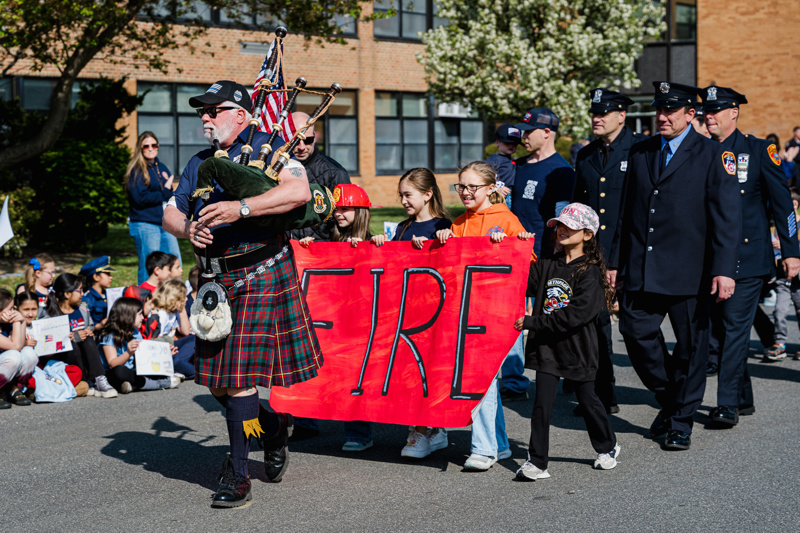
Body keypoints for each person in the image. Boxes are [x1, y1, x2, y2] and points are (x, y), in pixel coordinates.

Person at [163, 80, 323, 508]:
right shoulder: (198, 162)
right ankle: (270, 427)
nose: (205, 118)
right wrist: (187, 228)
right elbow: (170, 212)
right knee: (215, 382)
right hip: (215, 281)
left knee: (236, 383)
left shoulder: (273, 149)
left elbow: (298, 192)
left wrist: (241, 208)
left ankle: (238, 474)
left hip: (260, 272)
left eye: (213, 111)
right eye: (202, 112)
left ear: (240, 114)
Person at [608, 81, 740, 450]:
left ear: (690, 114)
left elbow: (727, 218)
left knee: (691, 348)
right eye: (659, 110)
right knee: (635, 334)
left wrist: (725, 269)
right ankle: (672, 397)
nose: (662, 117)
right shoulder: (641, 151)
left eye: (670, 111)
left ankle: (681, 421)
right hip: (642, 266)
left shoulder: (712, 155)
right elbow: (625, 215)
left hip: (691, 271)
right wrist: (615, 261)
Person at [700, 85, 799, 427]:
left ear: (733, 112)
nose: (708, 116)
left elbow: (783, 204)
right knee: (723, 329)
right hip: (711, 259)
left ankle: (726, 404)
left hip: (749, 256)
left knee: (733, 328)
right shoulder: (701, 152)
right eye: (705, 111)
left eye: (715, 111)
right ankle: (743, 397)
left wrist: (791, 251)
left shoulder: (758, 150)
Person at [435, 161, 534, 471]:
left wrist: (513, 245)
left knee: (480, 381)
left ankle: (484, 449)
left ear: (491, 188)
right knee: (484, 381)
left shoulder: (505, 219)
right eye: (460, 186)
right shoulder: (459, 223)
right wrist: (441, 241)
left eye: (472, 187)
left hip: (493, 313)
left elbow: (528, 261)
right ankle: (500, 445)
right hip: (465, 312)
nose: (465, 192)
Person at [515, 203, 620, 481]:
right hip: (547, 348)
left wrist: (532, 323)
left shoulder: (591, 273)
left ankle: (608, 446)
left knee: (588, 401)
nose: (561, 230)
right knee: (541, 406)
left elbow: (575, 316)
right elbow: (520, 282)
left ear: (587, 234)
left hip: (578, 350)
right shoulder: (548, 265)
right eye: (559, 225)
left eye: (569, 227)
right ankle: (537, 462)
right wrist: (519, 249)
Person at [573, 88, 647, 416]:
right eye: (594, 113)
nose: (597, 118)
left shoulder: (642, 149)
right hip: (593, 255)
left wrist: (616, 260)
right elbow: (579, 206)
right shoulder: (586, 154)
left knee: (639, 329)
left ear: (622, 116)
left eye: (604, 113)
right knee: (595, 324)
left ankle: (670, 384)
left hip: (633, 255)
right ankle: (604, 394)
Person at [370, 168, 451, 458]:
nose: (403, 200)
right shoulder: (402, 228)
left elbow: (453, 263)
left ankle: (425, 430)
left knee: (428, 372)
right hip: (406, 312)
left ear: (428, 194)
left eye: (408, 194)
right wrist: (381, 245)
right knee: (408, 374)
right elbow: (392, 268)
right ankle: (423, 429)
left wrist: (442, 240)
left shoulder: (444, 224)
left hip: (433, 312)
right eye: (401, 195)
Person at [300, 183, 375, 452]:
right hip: (331, 318)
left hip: (359, 320)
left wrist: (368, 248)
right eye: (337, 209)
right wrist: (309, 249)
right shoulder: (328, 239)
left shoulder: (372, 240)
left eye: (345, 208)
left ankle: (359, 434)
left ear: (361, 211)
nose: (339, 214)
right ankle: (303, 419)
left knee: (356, 378)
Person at [511, 108, 576, 259]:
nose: (524, 137)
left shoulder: (562, 171)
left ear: (546, 132)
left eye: (529, 132)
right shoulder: (518, 165)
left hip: (542, 255)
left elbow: (562, 215)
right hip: (512, 249)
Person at [44, 273, 118, 399]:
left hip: (83, 357)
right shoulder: (49, 314)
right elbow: (48, 344)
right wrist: (73, 337)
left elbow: (91, 328)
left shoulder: (83, 310)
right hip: (63, 361)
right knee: (72, 343)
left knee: (88, 340)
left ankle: (99, 379)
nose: (83, 294)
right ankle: (82, 381)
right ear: (67, 294)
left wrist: (89, 332)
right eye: (79, 290)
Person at [125, 130, 182, 285]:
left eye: (153, 145)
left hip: (164, 223)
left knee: (174, 260)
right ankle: (145, 301)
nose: (150, 148)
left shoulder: (161, 167)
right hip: (145, 224)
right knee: (149, 266)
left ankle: (174, 298)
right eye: (146, 146)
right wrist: (164, 191)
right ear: (140, 149)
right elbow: (140, 199)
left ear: (158, 146)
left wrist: (167, 192)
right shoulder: (136, 170)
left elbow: (168, 193)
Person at [288, 110, 352, 243]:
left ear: (315, 137)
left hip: (321, 250)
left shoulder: (335, 172)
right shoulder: (274, 167)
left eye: (308, 140)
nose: (301, 147)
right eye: (295, 140)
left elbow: (348, 219)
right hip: (285, 249)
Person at [96, 297, 180, 394]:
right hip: (113, 373)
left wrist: (164, 355)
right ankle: (157, 384)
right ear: (128, 316)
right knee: (119, 371)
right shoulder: (109, 335)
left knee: (147, 368)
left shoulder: (135, 332)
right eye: (139, 314)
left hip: (132, 370)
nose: (142, 318)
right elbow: (112, 364)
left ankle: (132, 385)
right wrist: (128, 352)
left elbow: (145, 357)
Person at [767, 188, 800, 362]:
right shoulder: (774, 226)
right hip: (782, 277)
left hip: (799, 279)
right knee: (779, 311)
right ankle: (779, 343)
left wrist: (791, 249)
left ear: (795, 205)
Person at [0, 289, 38, 408]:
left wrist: (21, 320)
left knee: (29, 353)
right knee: (13, 356)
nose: (13, 311)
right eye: (10, 309)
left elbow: (20, 345)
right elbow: (15, 346)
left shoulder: (6, 324)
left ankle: (15, 390)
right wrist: (17, 321)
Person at [150, 279, 195, 380]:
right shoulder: (161, 315)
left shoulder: (174, 312)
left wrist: (182, 309)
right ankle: (175, 370)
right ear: (175, 299)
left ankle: (175, 370)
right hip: (162, 352)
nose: (187, 299)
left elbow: (185, 331)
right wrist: (168, 350)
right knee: (193, 372)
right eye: (184, 297)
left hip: (171, 348)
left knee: (194, 339)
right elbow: (155, 341)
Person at [485, 124, 521, 207]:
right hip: (498, 196)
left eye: (515, 143)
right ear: (497, 142)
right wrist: (496, 189)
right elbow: (483, 176)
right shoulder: (495, 159)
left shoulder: (513, 160)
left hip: (510, 195)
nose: (511, 145)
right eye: (508, 143)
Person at [80, 256, 116, 327]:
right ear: (96, 277)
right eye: (107, 274)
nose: (111, 277)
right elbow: (85, 325)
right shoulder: (87, 298)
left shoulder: (108, 295)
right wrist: (100, 325)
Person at [18, 253, 55, 318]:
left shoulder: (53, 289)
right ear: (38, 273)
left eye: (54, 272)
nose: (53, 275)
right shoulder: (24, 289)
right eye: (50, 273)